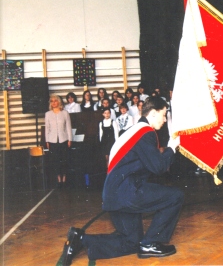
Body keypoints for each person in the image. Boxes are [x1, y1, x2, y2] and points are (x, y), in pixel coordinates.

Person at [60, 96, 182, 265]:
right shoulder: (146, 132)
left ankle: (80, 239)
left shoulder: (134, 130)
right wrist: (172, 148)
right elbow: (158, 168)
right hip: (126, 192)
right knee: (175, 196)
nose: (164, 119)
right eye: (163, 114)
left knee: (131, 242)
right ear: (153, 113)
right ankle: (151, 244)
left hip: (114, 194)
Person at [45, 94, 72, 188]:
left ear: (59, 102)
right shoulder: (48, 114)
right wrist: (47, 141)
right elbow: (47, 129)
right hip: (52, 141)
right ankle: (58, 179)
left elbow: (68, 127)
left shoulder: (65, 113)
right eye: (52, 101)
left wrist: (70, 139)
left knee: (64, 160)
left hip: (63, 140)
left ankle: (64, 179)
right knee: (55, 161)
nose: (54, 103)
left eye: (55, 101)